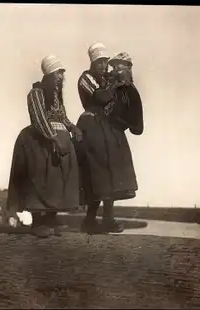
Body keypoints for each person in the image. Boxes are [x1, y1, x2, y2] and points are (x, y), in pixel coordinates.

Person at [6, 55, 81, 238]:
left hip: (59, 139)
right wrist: (53, 138)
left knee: (58, 181)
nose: (60, 77)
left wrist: (72, 127)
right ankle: (38, 222)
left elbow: (62, 117)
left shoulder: (56, 96)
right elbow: (39, 118)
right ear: (48, 75)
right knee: (42, 179)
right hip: (41, 141)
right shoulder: (36, 93)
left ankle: (51, 219)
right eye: (57, 73)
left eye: (62, 73)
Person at [75, 43, 140, 234]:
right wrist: (116, 84)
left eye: (105, 62)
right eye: (100, 62)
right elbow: (101, 98)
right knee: (98, 173)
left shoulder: (108, 78)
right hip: (93, 126)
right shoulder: (85, 78)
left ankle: (107, 219)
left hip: (109, 127)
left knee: (112, 173)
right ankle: (90, 220)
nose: (104, 66)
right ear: (92, 61)